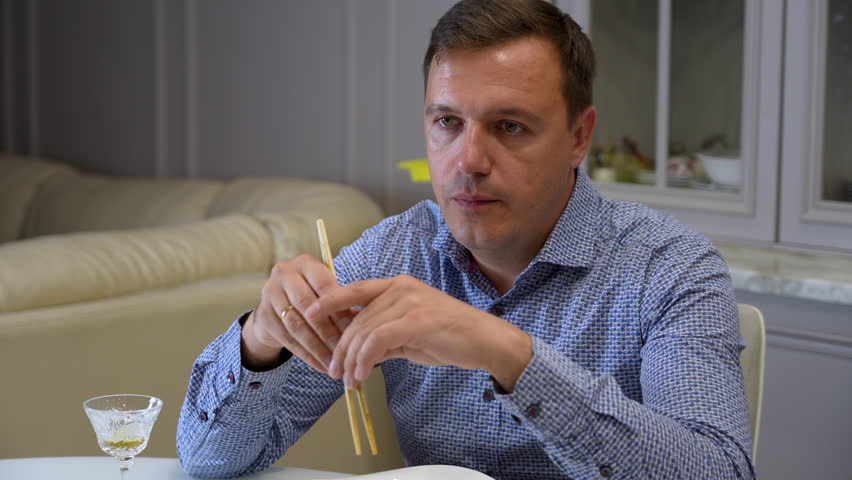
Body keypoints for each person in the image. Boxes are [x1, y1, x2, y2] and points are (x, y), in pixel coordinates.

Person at [177, 1, 755, 478]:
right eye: (447, 123)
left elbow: (718, 472)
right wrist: (260, 342)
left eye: (510, 127)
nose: (468, 162)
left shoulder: (671, 269)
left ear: (579, 137)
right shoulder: (394, 252)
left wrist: (508, 355)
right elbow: (208, 462)